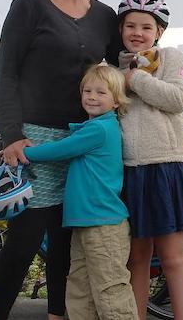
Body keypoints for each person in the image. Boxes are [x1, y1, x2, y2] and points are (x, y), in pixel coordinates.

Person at [0, 0, 119, 320]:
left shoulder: (105, 16)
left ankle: (58, 314)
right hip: (36, 138)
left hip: (84, 141)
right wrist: (11, 134)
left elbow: (118, 70)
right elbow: (7, 72)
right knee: (24, 239)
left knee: (66, 243)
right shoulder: (30, 3)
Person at [23, 65, 137, 320]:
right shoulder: (93, 127)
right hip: (87, 223)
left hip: (103, 225)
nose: (92, 97)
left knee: (110, 289)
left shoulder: (99, 129)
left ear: (117, 102)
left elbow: (59, 150)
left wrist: (23, 153)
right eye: (87, 91)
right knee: (80, 288)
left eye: (100, 92)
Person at [115, 0, 183, 320]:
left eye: (146, 27)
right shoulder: (111, 68)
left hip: (165, 166)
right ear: (121, 30)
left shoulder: (171, 59)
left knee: (173, 256)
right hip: (129, 170)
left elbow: (178, 99)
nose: (138, 33)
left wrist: (136, 78)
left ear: (159, 32)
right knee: (136, 257)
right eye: (130, 26)